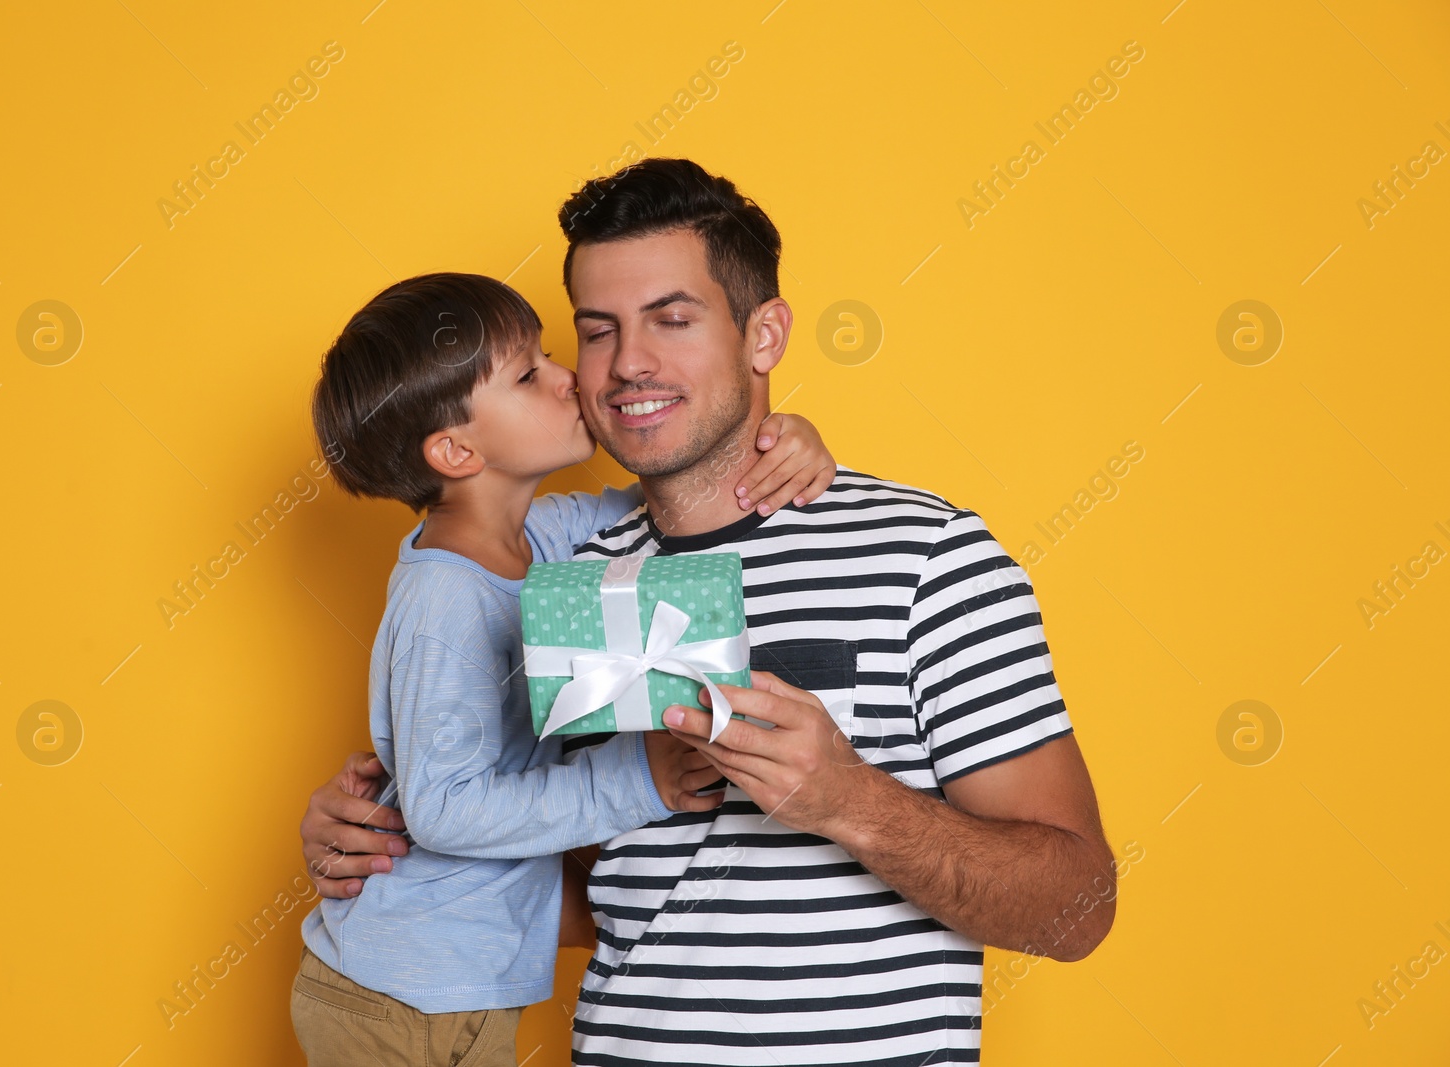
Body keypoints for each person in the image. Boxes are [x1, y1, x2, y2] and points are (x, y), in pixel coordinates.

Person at [301, 159, 1118, 1065]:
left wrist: (851, 802)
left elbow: (1078, 909)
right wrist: (392, 849)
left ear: (764, 335)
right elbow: (597, 881)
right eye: (598, 330)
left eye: (673, 319)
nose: (624, 365)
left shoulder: (926, 557)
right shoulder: (562, 574)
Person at [290, 270, 838, 1067]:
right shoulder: (443, 595)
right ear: (455, 449)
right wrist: (635, 783)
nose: (568, 378)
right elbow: (443, 810)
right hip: (399, 997)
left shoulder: (541, 539)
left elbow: (675, 492)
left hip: (456, 986)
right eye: (527, 374)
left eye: (552, 354)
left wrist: (783, 437)